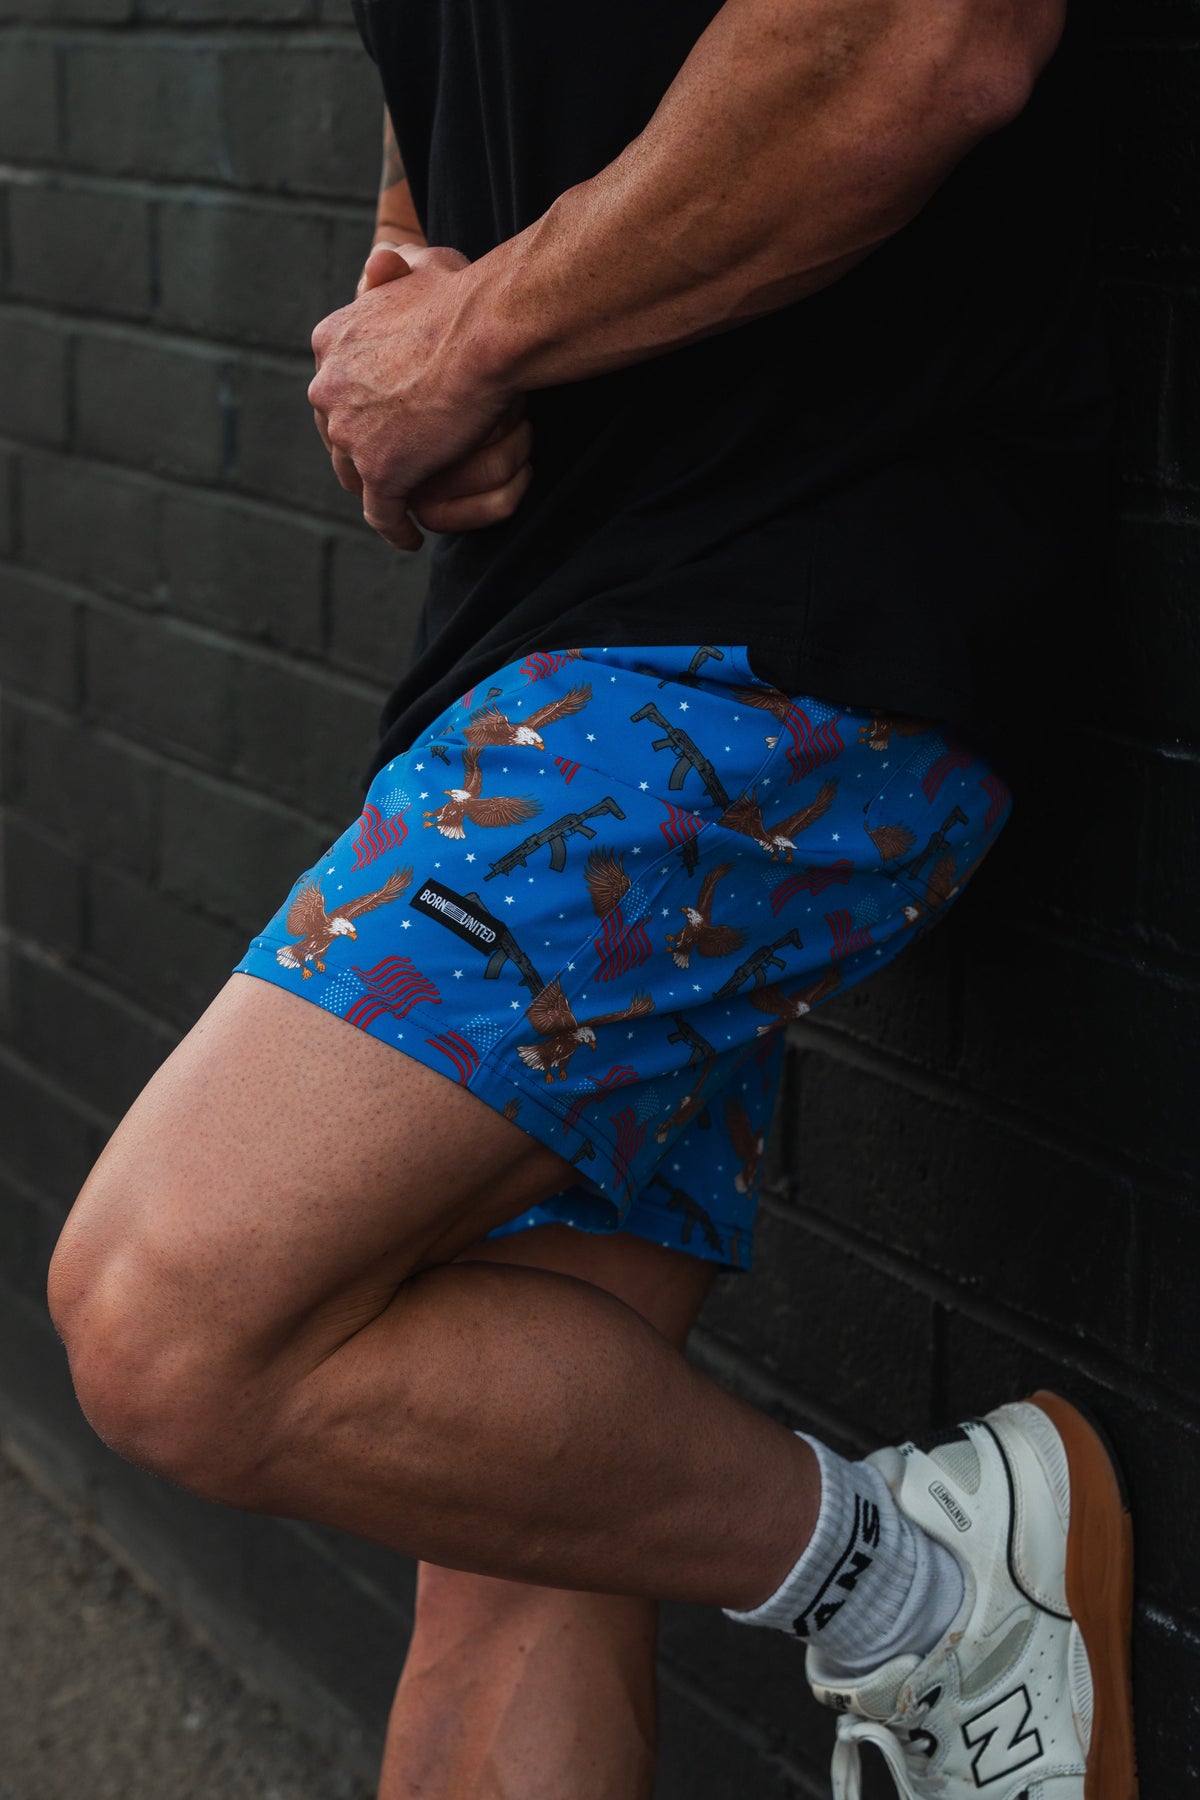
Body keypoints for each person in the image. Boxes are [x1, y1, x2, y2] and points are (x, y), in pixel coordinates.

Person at [45, 1, 1137, 1795]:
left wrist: (480, 328)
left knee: (170, 1321)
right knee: (513, 1582)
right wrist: (414, 295)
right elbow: (452, 80)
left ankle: (917, 1585)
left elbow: (920, 37)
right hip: (553, 634)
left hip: (774, 619)